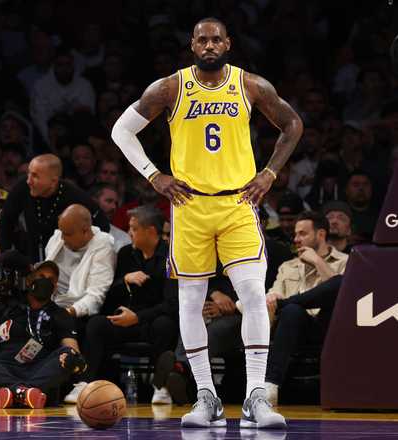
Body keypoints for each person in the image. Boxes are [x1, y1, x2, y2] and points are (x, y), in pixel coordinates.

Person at [111, 17, 303, 429]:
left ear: (228, 43)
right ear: (192, 45)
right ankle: (206, 396)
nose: (210, 45)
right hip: (190, 206)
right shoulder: (171, 87)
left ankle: (256, 396)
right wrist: (154, 175)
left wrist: (269, 173)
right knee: (190, 301)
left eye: (217, 39)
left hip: (237, 203)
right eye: (203, 39)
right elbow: (121, 130)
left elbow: (292, 124)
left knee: (252, 293)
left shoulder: (250, 84)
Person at [64, 205, 179, 404]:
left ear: (150, 231)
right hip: (125, 319)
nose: (129, 233)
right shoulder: (126, 253)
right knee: (96, 324)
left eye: (133, 229)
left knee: (165, 324)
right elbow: (109, 293)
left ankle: (161, 386)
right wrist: (125, 279)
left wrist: (137, 317)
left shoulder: (171, 257)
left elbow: (172, 304)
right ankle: (85, 383)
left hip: (151, 321)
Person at [0, 251, 86, 408]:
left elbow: (73, 350)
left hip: (38, 373)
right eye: (41, 277)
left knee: (68, 354)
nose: (45, 282)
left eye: (50, 280)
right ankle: (26, 393)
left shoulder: (60, 314)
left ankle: (15, 393)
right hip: (5, 371)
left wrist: (74, 359)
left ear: (56, 286)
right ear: (29, 278)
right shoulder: (2, 306)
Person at [262, 211, 348, 405]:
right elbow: (272, 298)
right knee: (292, 310)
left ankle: (289, 302)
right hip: (291, 326)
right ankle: (271, 385)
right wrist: (272, 299)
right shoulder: (287, 266)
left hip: (328, 327)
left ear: (321, 235)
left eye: (302, 234)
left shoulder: (346, 261)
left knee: (340, 282)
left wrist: (318, 262)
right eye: (295, 234)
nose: (296, 239)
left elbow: (343, 297)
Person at [0, 154, 110, 262]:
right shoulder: (23, 187)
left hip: (66, 263)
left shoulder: (73, 194)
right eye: (29, 174)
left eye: (35, 176)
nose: (29, 181)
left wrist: (80, 254)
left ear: (53, 181)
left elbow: (103, 225)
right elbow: (5, 221)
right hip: (31, 258)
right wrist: (6, 255)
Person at [44, 204, 116, 321]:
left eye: (67, 234)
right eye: (61, 232)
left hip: (77, 312)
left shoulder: (103, 245)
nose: (62, 238)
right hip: (48, 303)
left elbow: (96, 295)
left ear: (85, 231)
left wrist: (68, 312)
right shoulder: (57, 238)